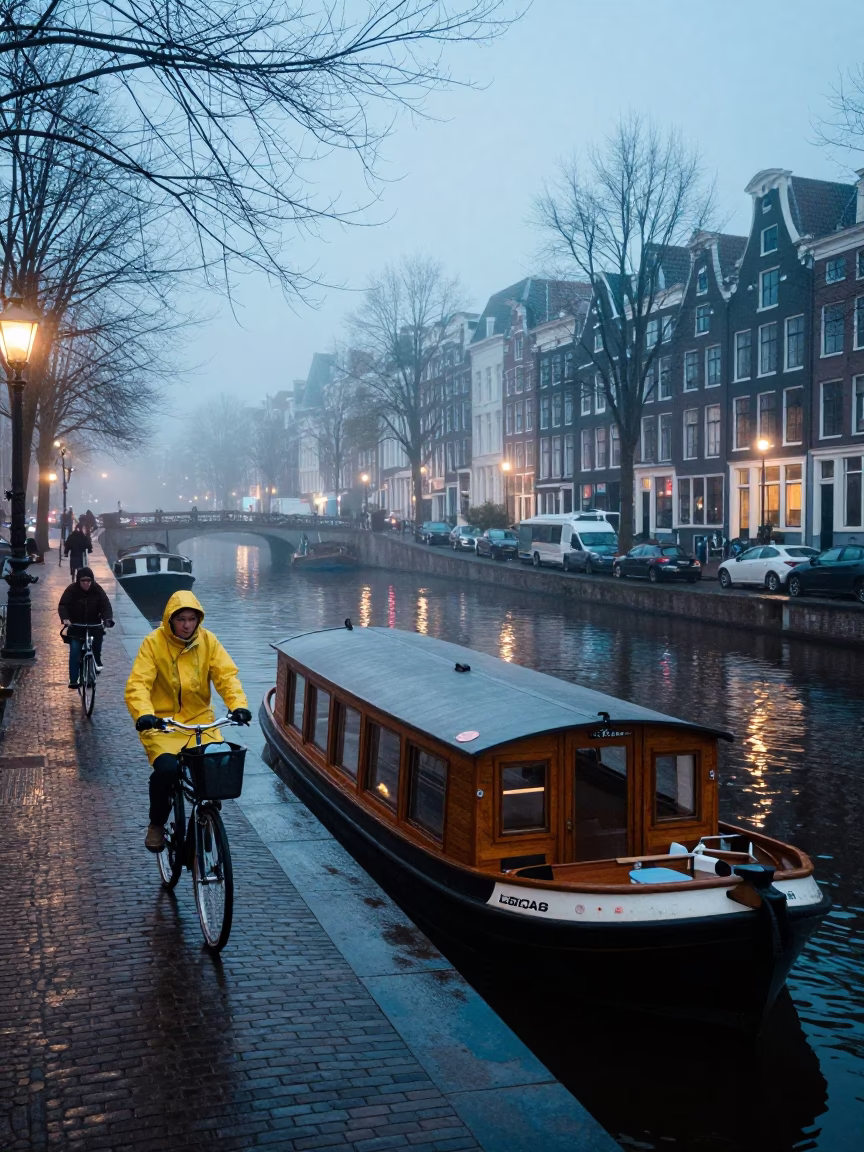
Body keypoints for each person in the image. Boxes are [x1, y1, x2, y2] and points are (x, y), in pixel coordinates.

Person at [125, 590, 251, 852]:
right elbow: (138, 684)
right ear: (170, 620)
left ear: (198, 619)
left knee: (215, 770)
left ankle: (204, 820)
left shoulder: (209, 641)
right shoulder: (153, 643)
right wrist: (144, 714)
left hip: (199, 723)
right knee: (167, 771)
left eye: (192, 619)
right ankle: (157, 823)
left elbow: (226, 676)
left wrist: (238, 706)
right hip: (163, 724)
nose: (186, 625)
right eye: (181, 619)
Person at [58, 566, 114, 687]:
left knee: (97, 646)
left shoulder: (97, 589)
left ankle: (96, 664)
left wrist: (107, 619)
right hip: (77, 626)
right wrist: (65, 618)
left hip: (94, 625)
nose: (86, 583)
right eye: (83, 581)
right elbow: (63, 605)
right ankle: (73, 679)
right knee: (74, 652)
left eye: (89, 580)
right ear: (79, 581)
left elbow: (106, 605)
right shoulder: (71, 590)